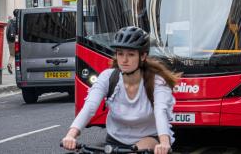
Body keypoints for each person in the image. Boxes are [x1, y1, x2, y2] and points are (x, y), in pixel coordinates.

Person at [61, 26, 178, 154]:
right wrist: (71, 135)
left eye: (131, 54)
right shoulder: (108, 77)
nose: (124, 60)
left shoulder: (157, 82)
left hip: (148, 139)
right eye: (120, 53)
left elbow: (161, 111)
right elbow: (89, 107)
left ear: (143, 56)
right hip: (115, 141)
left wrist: (164, 143)